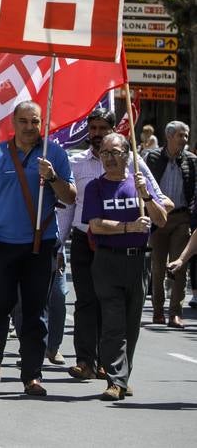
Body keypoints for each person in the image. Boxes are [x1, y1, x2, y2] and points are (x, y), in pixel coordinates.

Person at [0, 101, 75, 395]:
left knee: (35, 312)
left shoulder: (53, 153)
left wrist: (53, 177)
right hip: (1, 245)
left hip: (39, 246)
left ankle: (32, 375)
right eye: (24, 121)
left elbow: (70, 197)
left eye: (35, 121)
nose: (30, 127)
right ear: (13, 122)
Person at [58, 109, 167, 380]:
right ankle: (85, 361)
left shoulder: (134, 163)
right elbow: (68, 208)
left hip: (125, 247)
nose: (96, 134)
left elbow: (162, 200)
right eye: (92, 128)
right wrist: (58, 245)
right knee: (86, 302)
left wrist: (150, 204)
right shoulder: (78, 163)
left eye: (102, 128)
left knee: (115, 307)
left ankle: (110, 362)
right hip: (86, 240)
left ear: (113, 130)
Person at [83, 133, 167, 401]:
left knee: (131, 324)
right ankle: (115, 380)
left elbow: (162, 221)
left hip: (139, 261)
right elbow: (95, 225)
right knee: (113, 321)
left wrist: (148, 198)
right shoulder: (95, 187)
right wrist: (128, 227)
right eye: (104, 153)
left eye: (115, 152)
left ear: (127, 156)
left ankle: (122, 375)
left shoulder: (139, 184)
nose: (109, 158)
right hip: (107, 260)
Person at [144, 121, 194, 327]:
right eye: (181, 135)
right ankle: (157, 311)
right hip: (159, 218)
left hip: (182, 218)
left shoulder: (192, 161)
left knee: (179, 266)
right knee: (157, 266)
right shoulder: (153, 157)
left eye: (186, 136)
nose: (185, 140)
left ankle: (175, 313)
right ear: (169, 137)